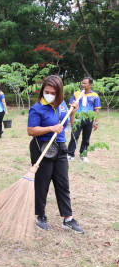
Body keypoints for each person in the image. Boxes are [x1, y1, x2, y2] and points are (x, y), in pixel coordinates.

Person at [27, 75, 84, 234]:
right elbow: (31, 130)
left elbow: (69, 124)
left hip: (60, 147)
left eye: (53, 92)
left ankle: (68, 218)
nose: (49, 94)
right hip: (42, 148)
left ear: (59, 93)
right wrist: (51, 128)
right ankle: (40, 215)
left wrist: (73, 111)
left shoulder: (62, 105)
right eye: (46, 91)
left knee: (63, 183)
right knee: (42, 183)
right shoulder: (37, 108)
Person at [67, 76, 101, 163]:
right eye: (82, 83)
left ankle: (83, 155)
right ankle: (70, 154)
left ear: (90, 84)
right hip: (77, 118)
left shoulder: (95, 95)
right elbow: (71, 106)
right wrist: (71, 119)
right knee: (74, 136)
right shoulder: (76, 94)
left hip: (89, 119)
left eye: (85, 83)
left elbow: (96, 109)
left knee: (86, 138)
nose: (83, 85)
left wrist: (96, 122)